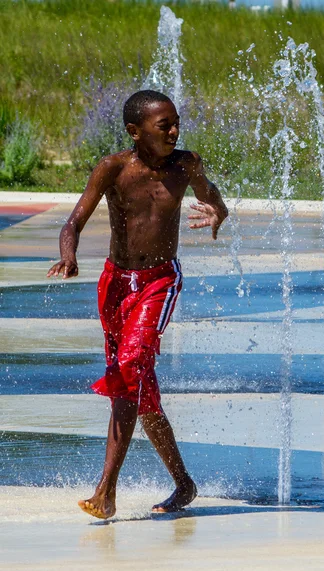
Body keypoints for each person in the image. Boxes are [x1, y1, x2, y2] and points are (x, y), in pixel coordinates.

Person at [47, 90, 228, 519]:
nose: (174, 130)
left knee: (128, 371)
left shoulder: (187, 165)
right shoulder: (114, 168)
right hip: (115, 284)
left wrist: (217, 212)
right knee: (138, 390)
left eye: (176, 122)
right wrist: (68, 254)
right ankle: (183, 483)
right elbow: (74, 221)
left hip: (159, 281)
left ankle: (106, 490)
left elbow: (214, 197)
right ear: (135, 131)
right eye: (163, 124)